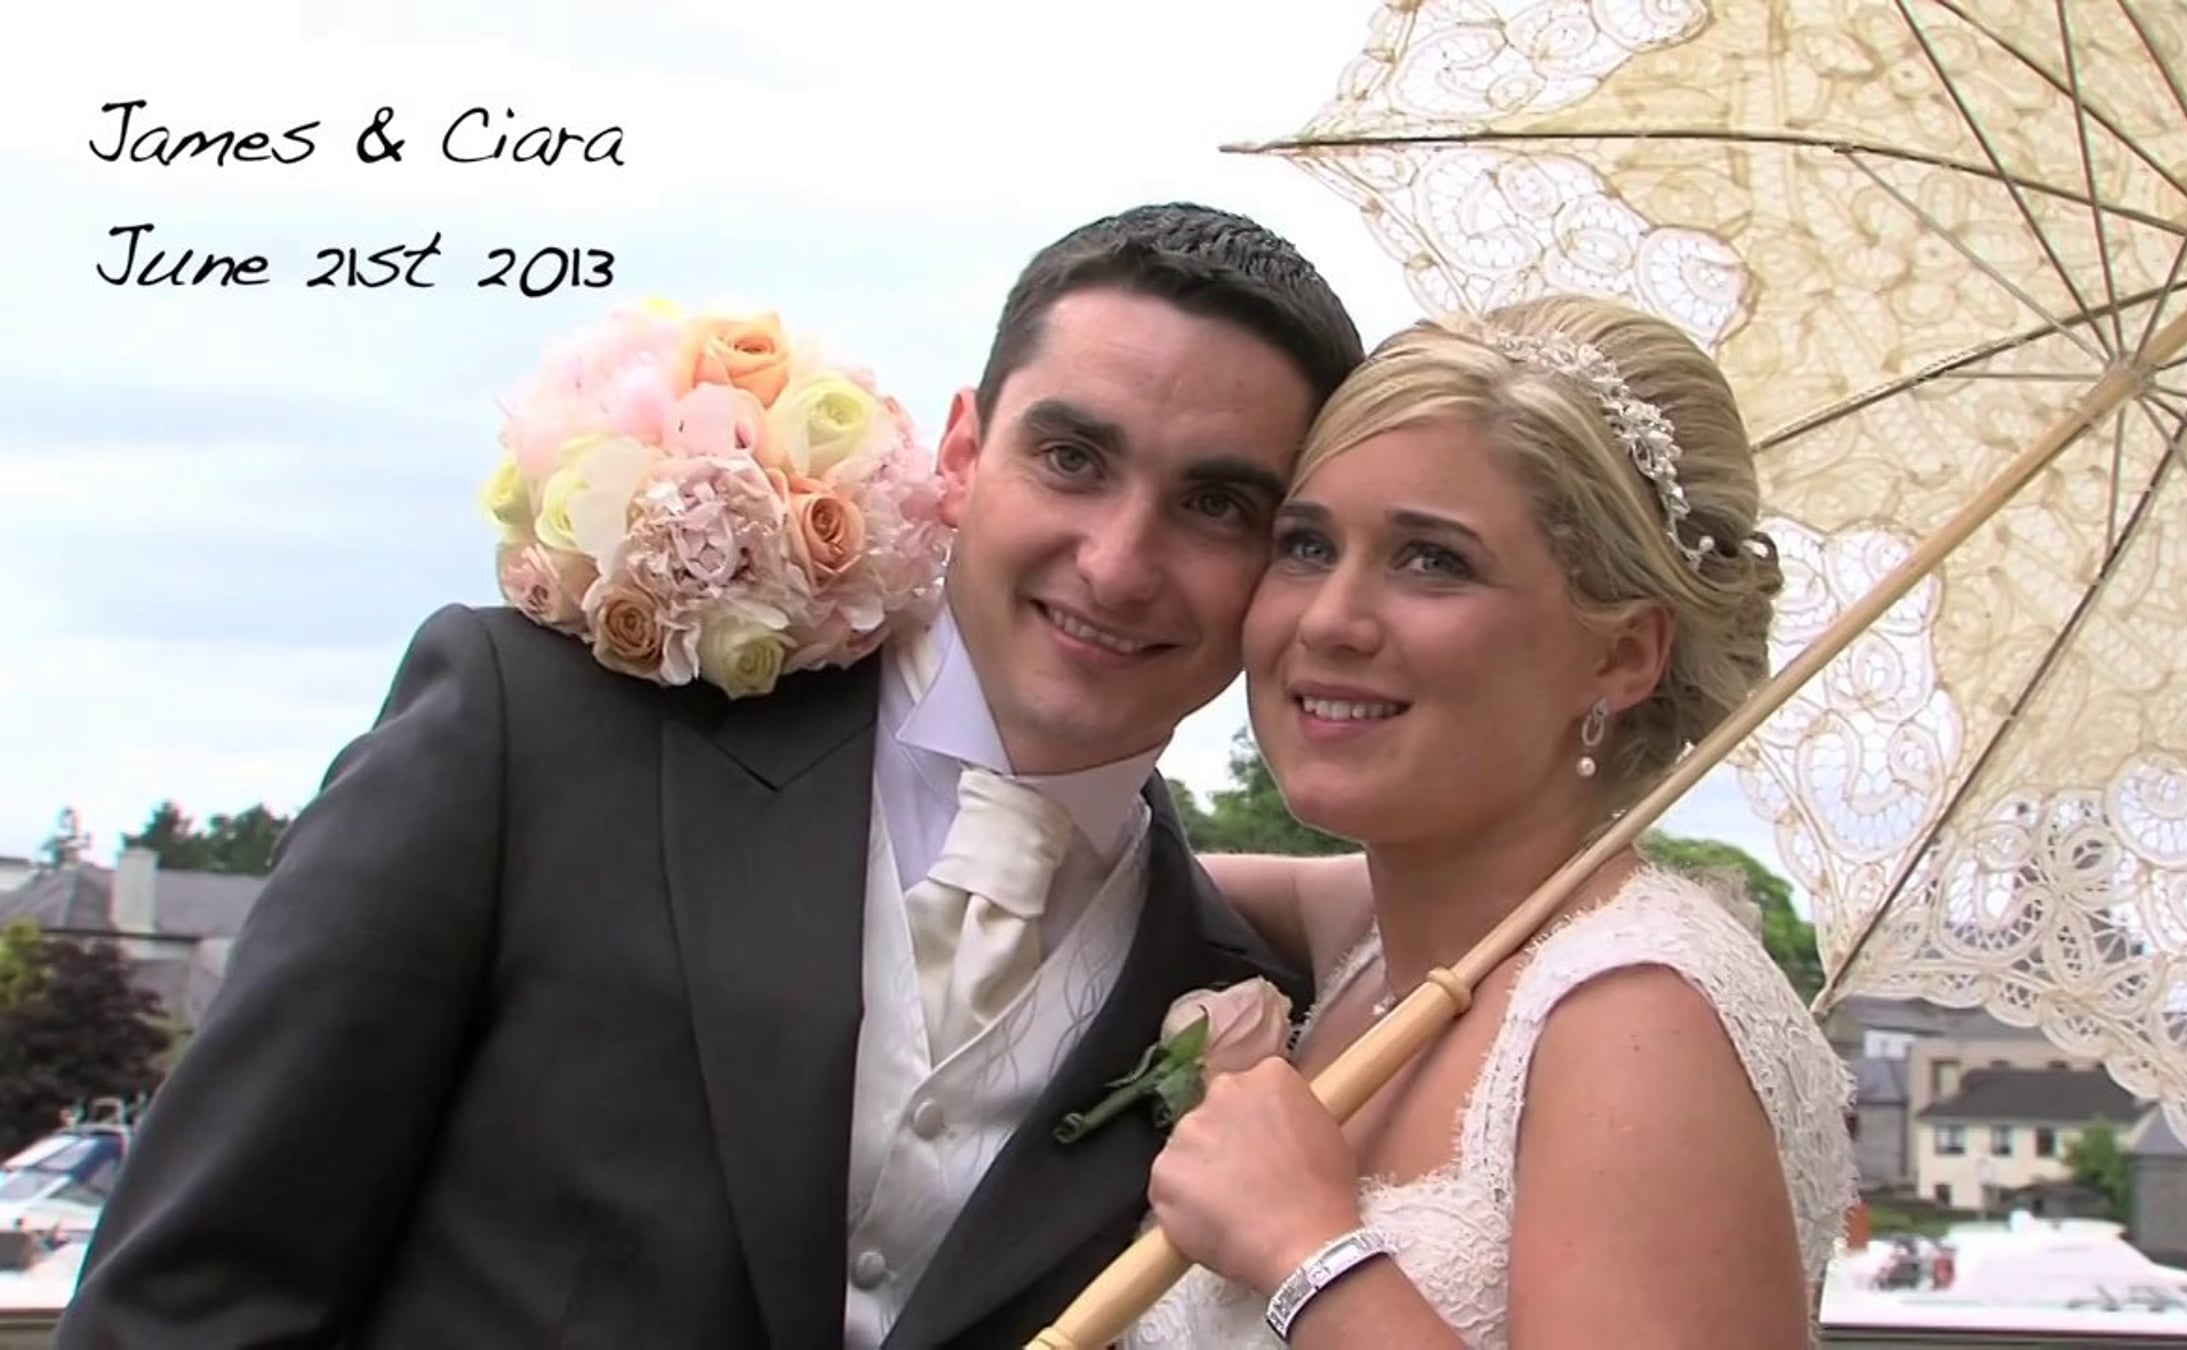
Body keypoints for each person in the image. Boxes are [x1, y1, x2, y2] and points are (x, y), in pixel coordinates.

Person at [54, 203, 1365, 1350]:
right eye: (1072, 458)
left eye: (1217, 506)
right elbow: (188, 1296)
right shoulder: (535, 732)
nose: (1119, 562)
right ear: (964, 453)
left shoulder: (1249, 1004)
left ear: (1290, 558)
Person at [1121, 295, 1857, 1348]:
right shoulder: (1380, 936)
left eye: (1434, 561)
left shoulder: (1638, 1024)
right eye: (1307, 545)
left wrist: (1307, 1251)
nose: (1329, 620)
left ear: (1622, 653)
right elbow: (1116, 863)